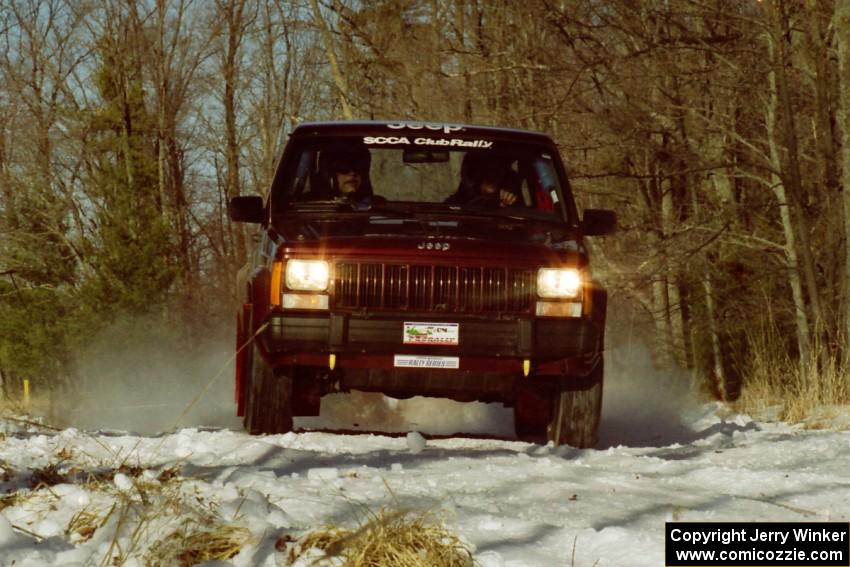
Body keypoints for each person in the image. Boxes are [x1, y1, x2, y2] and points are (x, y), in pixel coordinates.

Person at [445, 152, 521, 207]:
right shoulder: (454, 204)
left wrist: (508, 203)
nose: (494, 175)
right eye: (487, 171)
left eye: (499, 170)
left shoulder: (512, 201)